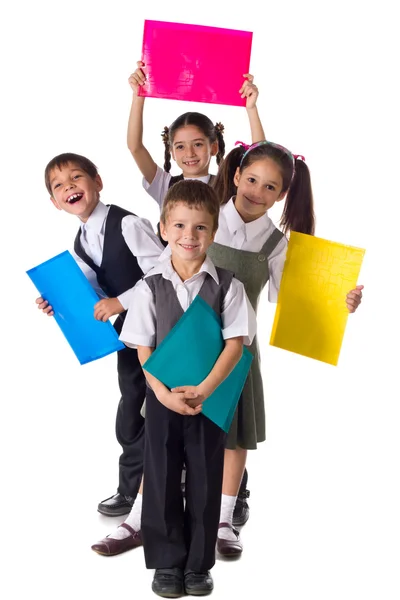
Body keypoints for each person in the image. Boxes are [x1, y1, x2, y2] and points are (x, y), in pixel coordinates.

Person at [204, 140, 363, 556]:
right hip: (190, 345)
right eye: (252, 179)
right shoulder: (203, 218)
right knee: (178, 429)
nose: (257, 191)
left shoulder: (276, 245)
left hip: (238, 350)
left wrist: (340, 300)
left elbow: (298, 298)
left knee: (234, 437)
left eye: (270, 187)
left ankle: (223, 520)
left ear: (282, 195)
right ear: (235, 175)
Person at [126, 60, 264, 521]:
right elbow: (134, 146)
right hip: (175, 303)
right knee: (168, 401)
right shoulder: (168, 189)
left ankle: (228, 500)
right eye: (179, 146)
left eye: (198, 145)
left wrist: (251, 106)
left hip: (216, 304)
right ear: (167, 224)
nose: (189, 154)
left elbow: (261, 157)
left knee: (225, 403)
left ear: (215, 148)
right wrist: (139, 95)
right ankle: (156, 500)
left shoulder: (225, 188)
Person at [118, 179, 256, 597]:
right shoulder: (149, 286)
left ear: (213, 232)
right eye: (178, 226)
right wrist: (161, 394)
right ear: (163, 229)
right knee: (159, 478)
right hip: (163, 399)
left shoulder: (228, 285)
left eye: (199, 228)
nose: (188, 236)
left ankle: (198, 564)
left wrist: (206, 387)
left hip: (209, 399)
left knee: (203, 477)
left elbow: (236, 344)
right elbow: (143, 347)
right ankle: (166, 563)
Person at [36, 152, 164, 521]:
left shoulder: (128, 224)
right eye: (59, 186)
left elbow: (164, 273)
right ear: (54, 203)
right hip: (128, 339)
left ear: (98, 181)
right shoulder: (80, 243)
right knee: (131, 417)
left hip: (161, 334)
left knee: (174, 410)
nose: (69, 187)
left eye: (77, 178)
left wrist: (119, 302)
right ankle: (133, 490)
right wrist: (55, 302)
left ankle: (219, 488)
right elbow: (91, 296)